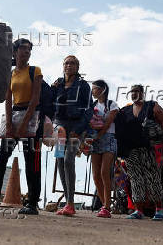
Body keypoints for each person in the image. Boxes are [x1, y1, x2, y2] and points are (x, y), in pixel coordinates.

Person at [0, 38, 43, 215]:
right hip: (14, 115)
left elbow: (35, 98)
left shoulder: (35, 71)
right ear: (14, 52)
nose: (27, 52)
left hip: (32, 116)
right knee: (1, 157)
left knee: (31, 159)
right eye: (23, 49)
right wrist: (9, 124)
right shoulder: (10, 73)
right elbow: (8, 99)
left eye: (29, 49)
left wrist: (24, 123)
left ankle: (32, 202)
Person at [115, 84, 163, 220]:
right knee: (135, 178)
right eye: (132, 92)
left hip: (149, 146)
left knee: (153, 176)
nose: (134, 94)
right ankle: (138, 210)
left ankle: (159, 209)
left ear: (142, 93)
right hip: (131, 149)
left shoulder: (151, 106)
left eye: (137, 91)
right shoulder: (125, 110)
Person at [51, 55, 92, 216]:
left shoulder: (83, 86)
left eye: (73, 63)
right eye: (67, 63)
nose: (69, 65)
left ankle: (70, 203)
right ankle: (68, 203)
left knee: (69, 159)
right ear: (63, 66)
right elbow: (50, 102)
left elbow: (89, 109)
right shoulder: (58, 83)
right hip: (60, 126)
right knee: (60, 160)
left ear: (77, 67)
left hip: (76, 126)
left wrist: (80, 127)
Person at [89, 80, 119, 218]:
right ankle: (104, 205)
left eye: (94, 89)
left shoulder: (111, 104)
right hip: (95, 140)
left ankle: (107, 206)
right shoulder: (92, 105)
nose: (93, 91)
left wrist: (98, 136)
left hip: (109, 138)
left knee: (104, 172)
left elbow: (108, 123)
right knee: (95, 175)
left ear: (102, 90)